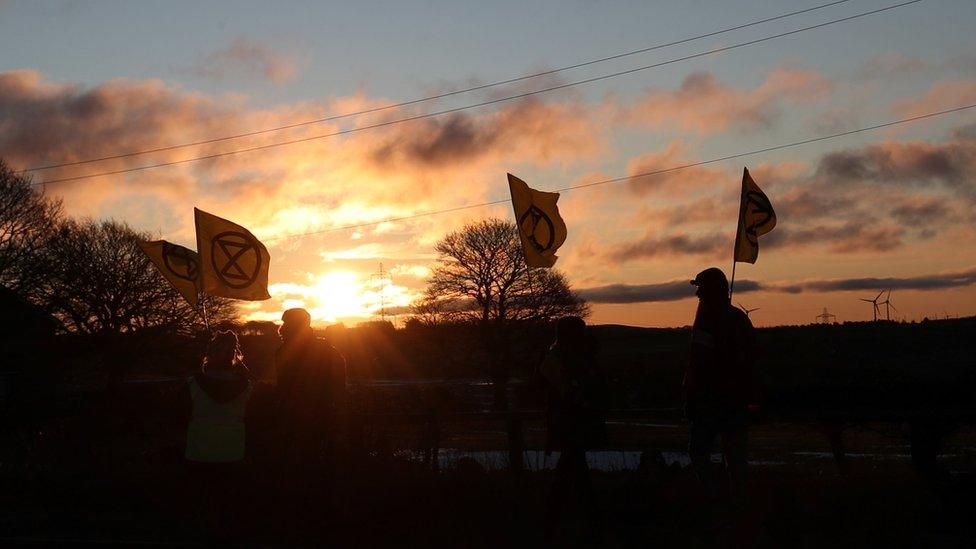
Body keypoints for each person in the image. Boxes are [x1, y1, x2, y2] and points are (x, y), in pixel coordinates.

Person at [684, 267, 760, 508]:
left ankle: (717, 499)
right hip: (734, 400)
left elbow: (700, 362)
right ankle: (738, 502)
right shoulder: (739, 318)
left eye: (700, 289)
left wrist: (691, 392)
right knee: (736, 457)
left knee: (699, 453)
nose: (697, 295)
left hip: (713, 401)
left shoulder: (708, 320)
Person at [540, 316, 609, 539]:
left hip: (569, 421)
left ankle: (556, 519)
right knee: (574, 468)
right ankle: (588, 519)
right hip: (576, 421)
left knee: (571, 468)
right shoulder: (575, 358)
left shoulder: (558, 358)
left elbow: (551, 388)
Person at [184, 330, 253, 540]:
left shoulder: (191, 385)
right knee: (227, 505)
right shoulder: (247, 387)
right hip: (233, 451)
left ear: (209, 355)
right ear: (234, 356)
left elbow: (176, 418)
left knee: (200, 503)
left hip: (198, 451)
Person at [275, 308, 347, 480]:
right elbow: (339, 385)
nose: (283, 327)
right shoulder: (328, 350)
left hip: (302, 419)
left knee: (300, 468)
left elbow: (283, 388)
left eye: (286, 323)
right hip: (319, 417)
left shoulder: (284, 351)